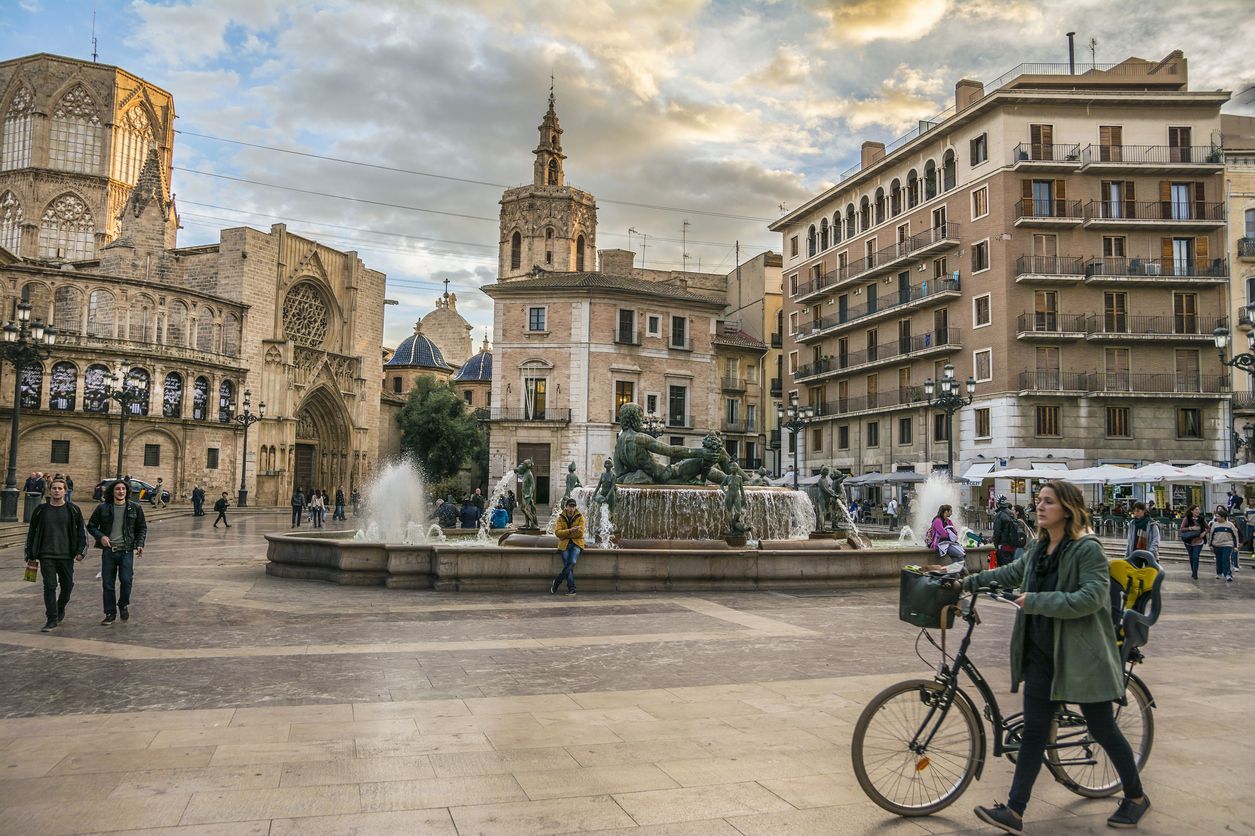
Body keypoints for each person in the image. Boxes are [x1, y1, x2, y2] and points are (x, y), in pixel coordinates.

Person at [965, 480, 1150, 833]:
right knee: (1034, 732)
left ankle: (1136, 797)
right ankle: (1014, 811)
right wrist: (967, 580)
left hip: (1080, 658)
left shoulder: (1087, 549)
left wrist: (1037, 601)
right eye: (1039, 501)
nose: (1040, 506)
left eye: (1048, 501)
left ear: (1067, 508)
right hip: (1040, 653)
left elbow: (1092, 598)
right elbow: (1011, 573)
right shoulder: (1039, 547)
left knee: (1103, 728)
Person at [25, 477, 87, 631]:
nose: (57, 491)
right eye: (54, 488)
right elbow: (31, 531)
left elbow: (82, 532)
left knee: (67, 586)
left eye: (60, 488)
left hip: (66, 555)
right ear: (50, 490)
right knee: (50, 586)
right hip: (46, 555)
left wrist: (81, 552)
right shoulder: (40, 510)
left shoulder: (73, 510)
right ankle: (51, 618)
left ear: (65, 491)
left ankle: (60, 608)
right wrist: (29, 553)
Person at [86, 480, 147, 626]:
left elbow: (142, 528)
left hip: (126, 550)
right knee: (108, 583)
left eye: (123, 489)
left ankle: (123, 603)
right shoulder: (103, 508)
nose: (121, 491)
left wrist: (139, 544)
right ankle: (110, 613)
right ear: (112, 491)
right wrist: (101, 537)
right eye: (118, 489)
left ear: (127, 492)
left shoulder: (135, 508)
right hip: (109, 551)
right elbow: (91, 526)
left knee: (126, 580)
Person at [550, 497, 584, 595]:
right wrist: (571, 530)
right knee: (568, 566)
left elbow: (580, 533)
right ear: (566, 507)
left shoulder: (580, 517)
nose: (571, 508)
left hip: (576, 544)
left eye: (573, 506)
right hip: (564, 545)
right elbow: (557, 533)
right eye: (570, 506)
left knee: (572, 562)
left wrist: (565, 534)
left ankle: (557, 581)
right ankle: (572, 589)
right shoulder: (560, 518)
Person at [1207, 505, 1239, 582]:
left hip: (1228, 544)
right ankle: (1219, 572)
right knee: (1218, 559)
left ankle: (1228, 574)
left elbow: (1235, 536)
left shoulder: (1230, 525)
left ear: (1223, 517)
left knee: (1225, 559)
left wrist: (1235, 546)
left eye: (1218, 516)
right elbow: (1211, 535)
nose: (1216, 518)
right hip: (1217, 545)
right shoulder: (1214, 524)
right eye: (1216, 516)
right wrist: (1210, 545)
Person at [1178, 505, 1206, 580]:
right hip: (1189, 540)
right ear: (1192, 511)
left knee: (1195, 556)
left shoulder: (1201, 519)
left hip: (1199, 540)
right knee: (1191, 556)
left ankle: (1195, 573)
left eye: (1198, 509)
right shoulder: (1187, 518)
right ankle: (1193, 571)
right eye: (1196, 510)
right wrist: (1191, 528)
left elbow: (1208, 528)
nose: (1198, 511)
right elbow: (1182, 529)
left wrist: (1204, 532)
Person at [992, 495, 1020, 567]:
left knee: (1003, 568)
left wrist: (996, 545)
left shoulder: (999, 515)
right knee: (1010, 567)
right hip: (1012, 545)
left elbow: (997, 532)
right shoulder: (1011, 513)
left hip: (1003, 546)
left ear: (997, 503)